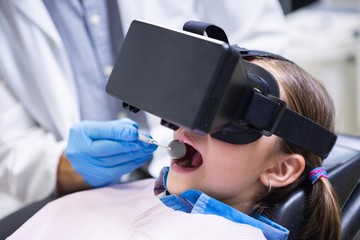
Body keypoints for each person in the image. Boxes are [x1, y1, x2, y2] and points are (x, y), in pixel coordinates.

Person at [0, 0, 289, 219]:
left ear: (281, 168)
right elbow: (9, 148)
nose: (181, 129)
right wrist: (66, 165)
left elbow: (268, 60)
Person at [8, 52, 341, 240]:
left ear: (280, 169)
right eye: (200, 106)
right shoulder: (136, 192)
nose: (192, 126)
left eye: (232, 116)